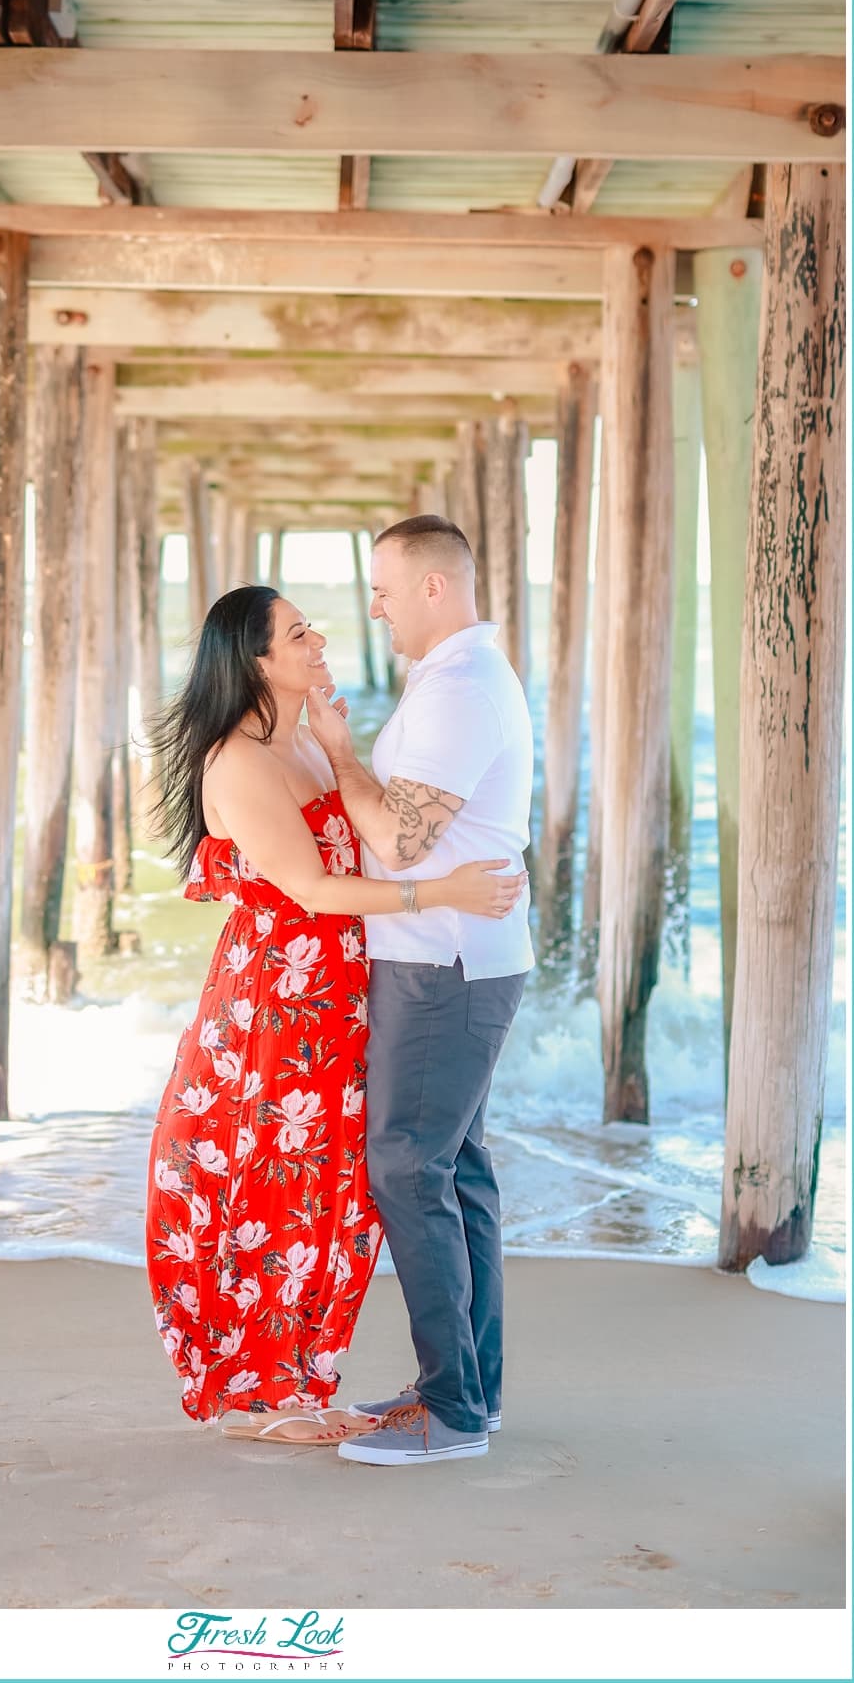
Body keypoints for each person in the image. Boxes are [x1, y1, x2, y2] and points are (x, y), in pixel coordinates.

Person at [145, 583, 526, 1446]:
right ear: (257, 662)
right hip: (280, 997)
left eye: (312, 626)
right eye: (297, 633)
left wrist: (343, 751)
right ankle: (256, 1398)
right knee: (271, 1176)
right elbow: (313, 889)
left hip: (339, 989)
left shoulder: (308, 747)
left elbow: (368, 835)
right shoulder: (238, 761)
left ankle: (297, 1377)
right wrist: (445, 889)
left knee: (324, 1186)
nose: (319, 640)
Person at [304, 515, 535, 1467]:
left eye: (386, 590)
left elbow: (400, 842)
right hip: (453, 956)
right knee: (452, 1171)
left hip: (445, 964)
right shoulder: (453, 681)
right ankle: (469, 1393)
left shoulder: (462, 690)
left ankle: (449, 1413)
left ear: (435, 588)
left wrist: (343, 757)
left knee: (406, 1167)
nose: (376, 607)